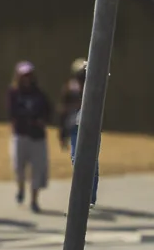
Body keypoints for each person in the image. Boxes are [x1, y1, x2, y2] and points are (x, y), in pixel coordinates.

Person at [7, 61, 51, 213]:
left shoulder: (39, 94)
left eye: (29, 75)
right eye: (24, 75)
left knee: (37, 170)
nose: (27, 78)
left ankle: (34, 200)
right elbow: (12, 113)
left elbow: (48, 111)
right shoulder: (14, 93)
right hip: (21, 135)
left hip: (37, 137)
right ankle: (20, 188)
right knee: (18, 167)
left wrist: (41, 121)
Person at [58, 58, 99, 207]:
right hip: (75, 128)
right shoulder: (70, 88)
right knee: (77, 160)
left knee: (93, 162)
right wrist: (62, 135)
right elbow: (63, 110)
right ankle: (81, 194)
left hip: (92, 128)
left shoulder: (95, 87)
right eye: (81, 72)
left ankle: (91, 198)